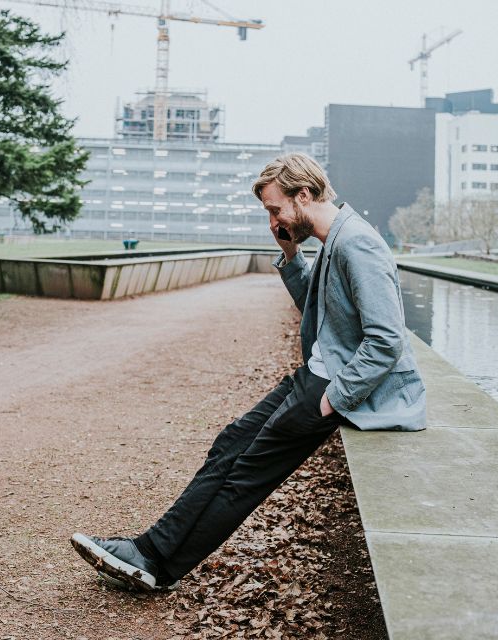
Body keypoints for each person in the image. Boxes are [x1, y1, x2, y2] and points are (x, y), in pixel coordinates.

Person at [71, 153, 426, 591]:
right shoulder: (333, 238)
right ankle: (148, 549)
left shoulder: (357, 243)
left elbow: (387, 340)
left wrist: (334, 398)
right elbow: (317, 314)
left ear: (303, 194)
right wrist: (290, 253)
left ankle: (158, 566)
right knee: (230, 444)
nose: (273, 219)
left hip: (336, 385)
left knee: (246, 474)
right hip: (321, 372)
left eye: (276, 209)